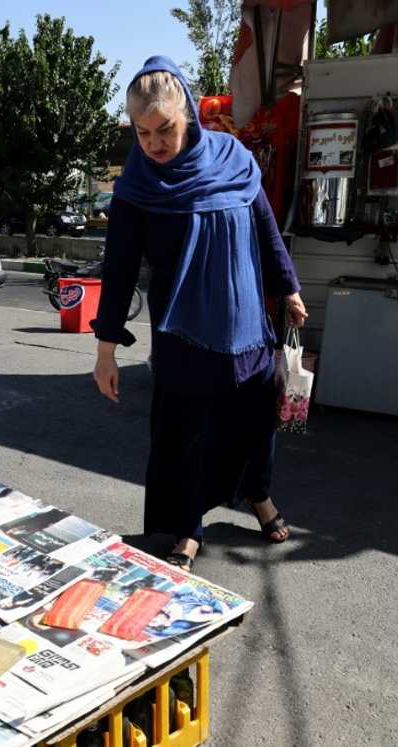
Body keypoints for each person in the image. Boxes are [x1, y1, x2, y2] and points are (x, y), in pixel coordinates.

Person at [92, 56, 307, 573]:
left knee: (256, 424)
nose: (154, 144)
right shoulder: (138, 187)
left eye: (164, 129)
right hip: (184, 334)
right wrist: (105, 351)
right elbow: (118, 269)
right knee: (189, 435)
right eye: (142, 133)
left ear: (187, 112)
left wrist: (290, 289)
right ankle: (188, 527)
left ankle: (259, 496)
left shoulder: (234, 159)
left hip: (250, 326)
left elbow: (265, 229)